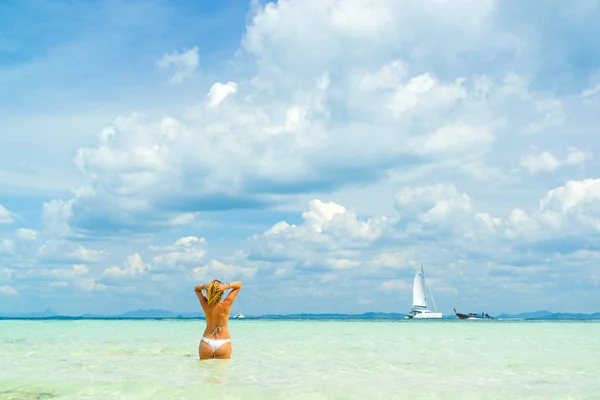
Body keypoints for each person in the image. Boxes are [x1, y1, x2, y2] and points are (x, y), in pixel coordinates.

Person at [195, 280, 243, 360]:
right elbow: (239, 285)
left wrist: (205, 286)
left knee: (204, 371)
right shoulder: (227, 303)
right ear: (222, 292)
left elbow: (196, 289)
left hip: (207, 341)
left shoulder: (205, 304)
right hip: (223, 342)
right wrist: (225, 286)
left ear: (208, 291)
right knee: (222, 372)